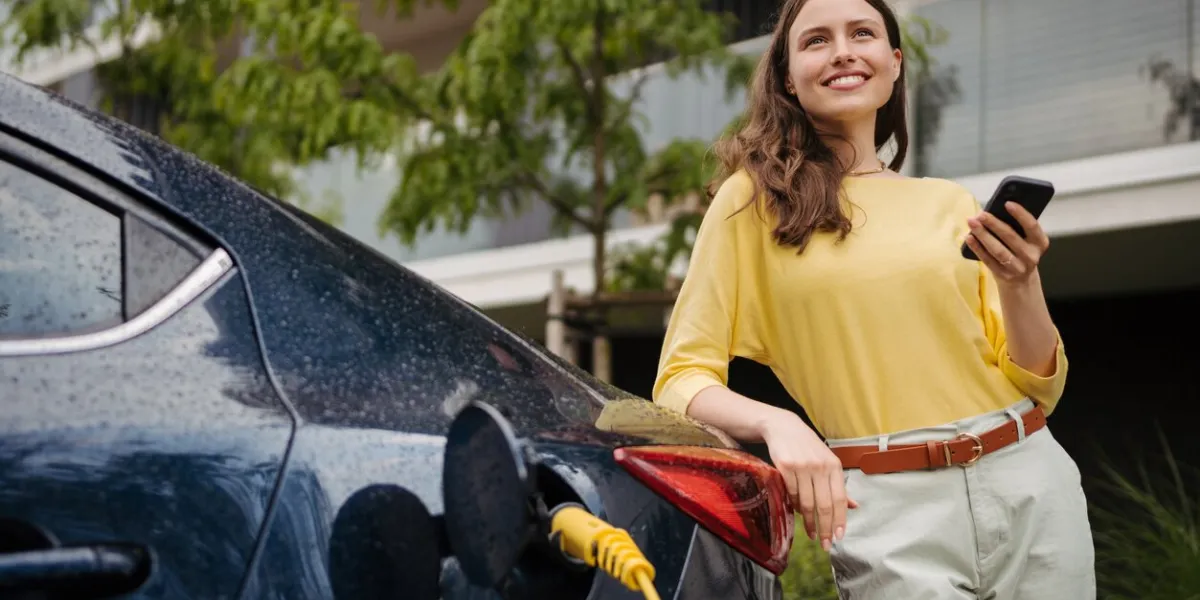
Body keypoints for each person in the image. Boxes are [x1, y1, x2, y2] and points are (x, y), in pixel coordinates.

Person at [651, 0, 1095, 597]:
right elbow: (680, 379)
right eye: (816, 40)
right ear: (787, 75)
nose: (842, 51)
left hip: (1030, 480)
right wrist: (780, 425)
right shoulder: (750, 203)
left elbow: (1042, 385)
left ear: (892, 64)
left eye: (861, 33)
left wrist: (1021, 282)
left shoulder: (948, 202)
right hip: (888, 509)